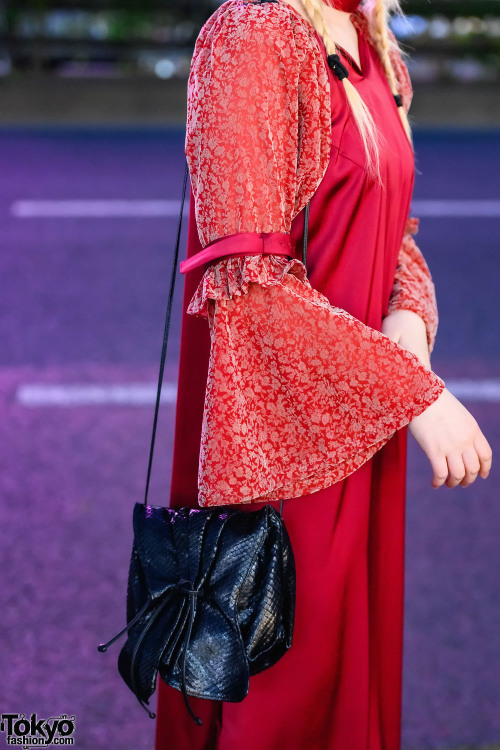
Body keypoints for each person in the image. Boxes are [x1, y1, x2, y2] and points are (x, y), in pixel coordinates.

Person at [154, 0, 492, 747]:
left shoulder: (376, 47)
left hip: (363, 426)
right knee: (279, 700)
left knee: (349, 693)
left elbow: (393, 232)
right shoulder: (254, 33)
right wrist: (417, 395)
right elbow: (247, 282)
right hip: (279, 446)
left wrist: (410, 320)